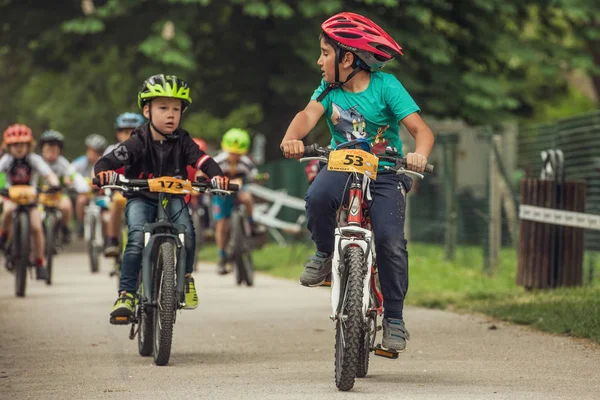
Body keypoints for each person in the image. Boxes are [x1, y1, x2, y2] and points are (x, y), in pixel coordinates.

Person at [279, 12, 435, 352]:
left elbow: (421, 130)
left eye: (325, 53)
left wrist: (418, 154)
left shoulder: (387, 87)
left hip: (385, 172)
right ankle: (323, 253)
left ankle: (394, 318)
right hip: (341, 164)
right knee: (318, 198)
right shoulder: (328, 90)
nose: (319, 60)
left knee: (391, 240)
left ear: (347, 58)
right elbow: (307, 115)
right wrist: (292, 137)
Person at [93, 74, 229, 323]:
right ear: (147, 110)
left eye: (176, 109)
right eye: (163, 108)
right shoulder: (137, 140)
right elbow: (109, 160)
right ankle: (127, 294)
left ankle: (186, 278)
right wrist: (102, 172)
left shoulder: (183, 140)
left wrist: (217, 177)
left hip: (173, 197)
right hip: (140, 196)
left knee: (187, 232)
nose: (171, 115)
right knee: (135, 238)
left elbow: (203, 160)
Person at [0, 124, 60, 280]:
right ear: (8, 147)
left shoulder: (34, 159)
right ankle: (3, 236)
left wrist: (54, 184)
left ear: (28, 145)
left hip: (31, 198)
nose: (19, 148)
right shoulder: (7, 160)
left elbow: (48, 174)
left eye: (22, 145)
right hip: (11, 196)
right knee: (7, 211)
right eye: (15, 145)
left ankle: (40, 262)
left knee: (36, 227)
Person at [212, 128, 263, 275]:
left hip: (239, 190)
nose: (235, 156)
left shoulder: (246, 162)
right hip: (222, 192)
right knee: (221, 224)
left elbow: (254, 174)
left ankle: (251, 221)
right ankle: (222, 256)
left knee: (247, 198)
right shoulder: (218, 161)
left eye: (238, 153)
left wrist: (258, 178)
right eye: (232, 152)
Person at [103, 113, 145, 257]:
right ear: (118, 133)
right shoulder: (112, 149)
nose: (128, 135)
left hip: (143, 189)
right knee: (116, 203)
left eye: (133, 132)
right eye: (124, 131)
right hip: (119, 189)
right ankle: (112, 241)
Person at [38, 130, 90, 244]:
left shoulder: (62, 163)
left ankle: (65, 228)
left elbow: (73, 175)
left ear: (60, 151)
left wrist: (83, 187)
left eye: (54, 149)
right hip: (39, 195)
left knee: (66, 206)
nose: (51, 152)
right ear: (42, 149)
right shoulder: (37, 161)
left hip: (58, 194)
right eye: (48, 149)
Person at [72, 133, 108, 236]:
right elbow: (70, 172)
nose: (90, 153)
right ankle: (81, 224)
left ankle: (107, 236)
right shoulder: (81, 161)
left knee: (106, 214)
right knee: (81, 200)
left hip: (101, 195)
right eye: (89, 150)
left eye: (94, 151)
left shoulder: (104, 162)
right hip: (86, 193)